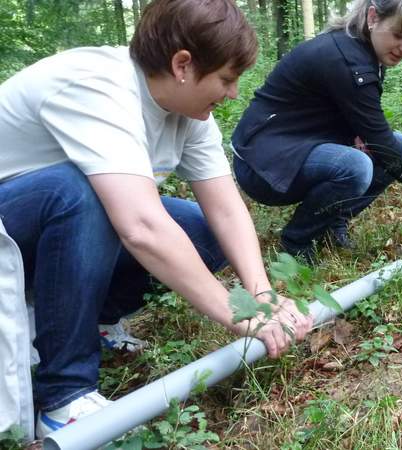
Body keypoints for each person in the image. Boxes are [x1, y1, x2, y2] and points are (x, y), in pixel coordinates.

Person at [0, 0, 312, 439]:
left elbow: (225, 208)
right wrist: (235, 314)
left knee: (199, 228)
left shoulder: (188, 114)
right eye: (227, 77)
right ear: (183, 64)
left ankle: (96, 322)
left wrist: (260, 296)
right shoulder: (99, 86)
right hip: (8, 238)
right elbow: (141, 226)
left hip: (44, 236)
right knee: (82, 190)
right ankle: (63, 398)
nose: (234, 93)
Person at [231, 0, 402, 262]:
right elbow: (385, 149)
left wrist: (353, 134)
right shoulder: (347, 60)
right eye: (399, 35)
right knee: (357, 166)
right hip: (259, 165)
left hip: (291, 148)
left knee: (401, 144)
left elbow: (333, 112)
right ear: (373, 17)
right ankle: (297, 242)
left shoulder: (362, 49)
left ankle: (332, 223)